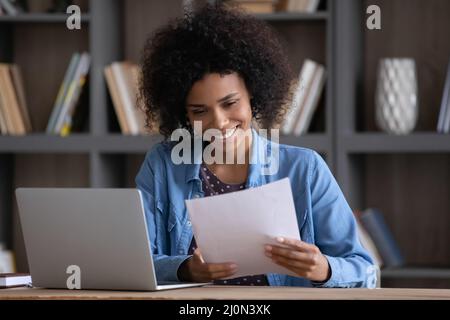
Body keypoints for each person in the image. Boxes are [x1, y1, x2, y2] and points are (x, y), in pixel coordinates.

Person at [135, 3, 374, 288]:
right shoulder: (162, 165)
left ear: (253, 94)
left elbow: (365, 271)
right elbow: (137, 263)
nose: (219, 122)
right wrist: (185, 269)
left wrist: (324, 269)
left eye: (230, 103)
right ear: (183, 113)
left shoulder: (305, 169)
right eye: (200, 111)